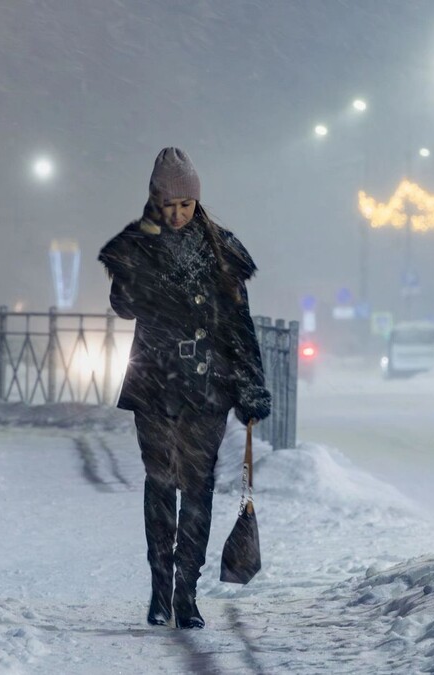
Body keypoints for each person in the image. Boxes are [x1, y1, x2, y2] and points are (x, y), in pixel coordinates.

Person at [98, 148, 271, 629]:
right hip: (154, 385)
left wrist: (250, 387)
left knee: (197, 489)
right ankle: (159, 588)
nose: (176, 214)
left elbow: (239, 324)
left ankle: (186, 594)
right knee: (160, 486)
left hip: (207, 390)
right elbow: (123, 308)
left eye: (185, 204)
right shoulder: (137, 246)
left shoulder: (223, 251)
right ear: (154, 201)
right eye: (168, 204)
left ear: (197, 202)